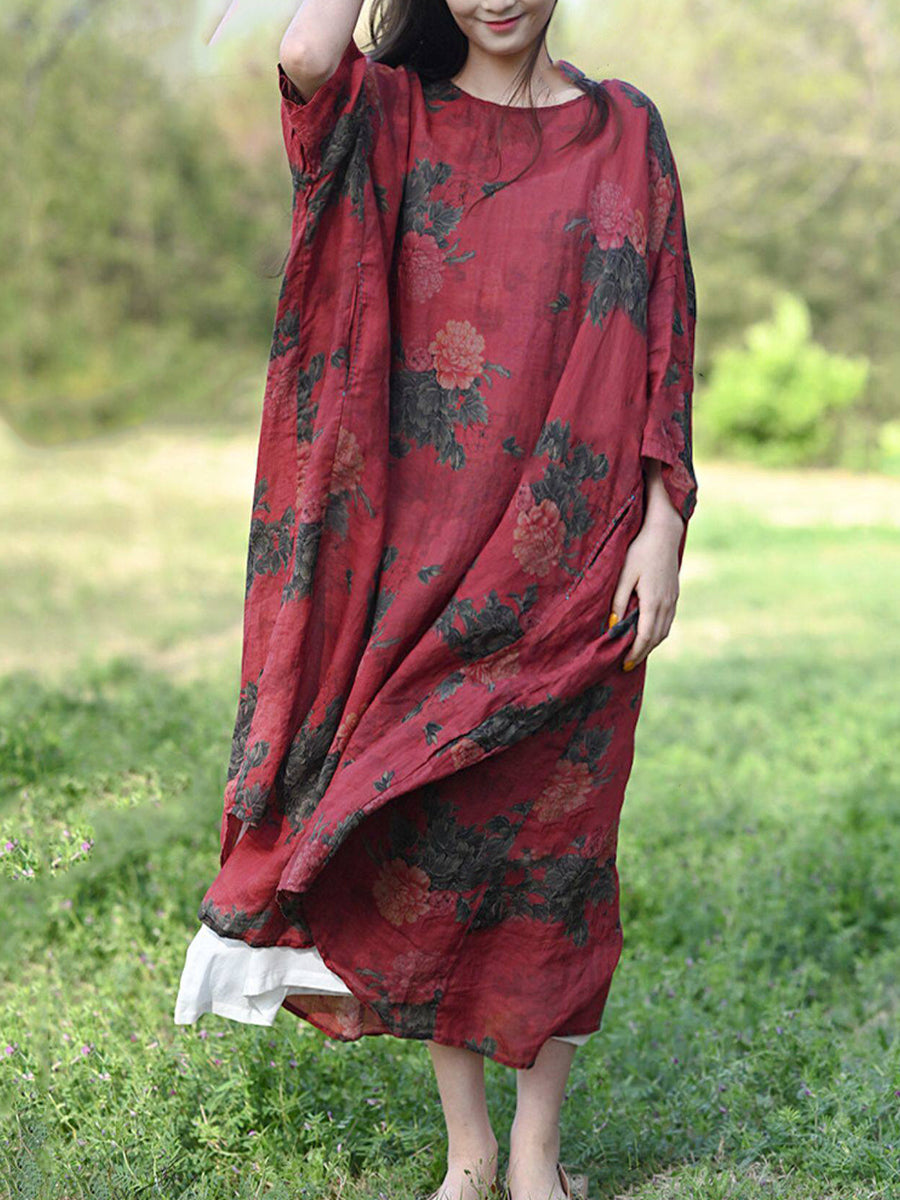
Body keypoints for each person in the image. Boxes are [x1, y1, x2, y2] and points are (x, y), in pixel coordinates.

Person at [174, 1, 698, 1197]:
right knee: (437, 849)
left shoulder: (627, 130)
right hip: (424, 571)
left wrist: (665, 523)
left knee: (560, 858)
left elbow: (666, 338)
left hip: (582, 564)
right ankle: (470, 1153)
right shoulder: (394, 114)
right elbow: (306, 56)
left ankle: (536, 1158)